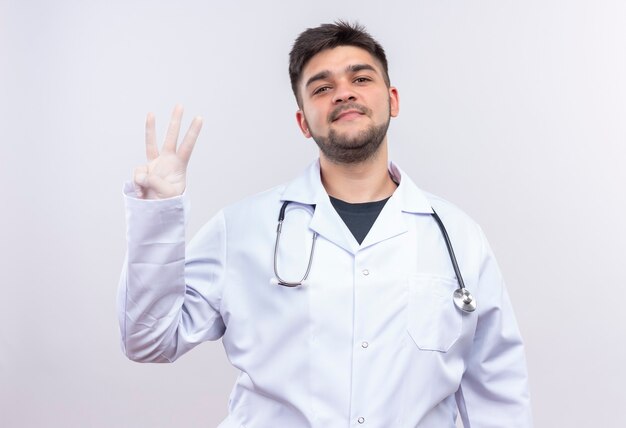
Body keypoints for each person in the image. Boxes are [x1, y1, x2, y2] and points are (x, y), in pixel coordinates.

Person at [118, 21, 533, 428]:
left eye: (361, 78)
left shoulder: (458, 237)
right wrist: (159, 215)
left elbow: (497, 392)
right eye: (322, 88)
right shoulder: (242, 228)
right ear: (303, 122)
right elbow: (149, 340)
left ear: (393, 100)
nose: (344, 93)